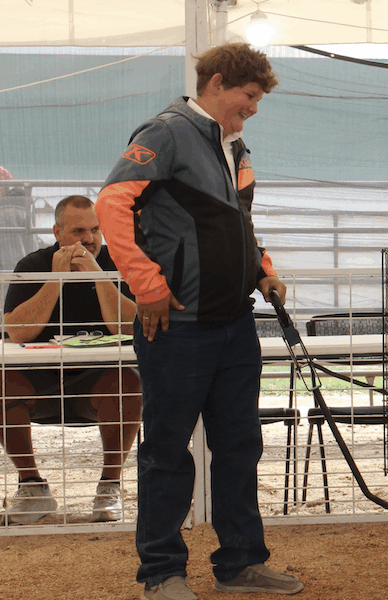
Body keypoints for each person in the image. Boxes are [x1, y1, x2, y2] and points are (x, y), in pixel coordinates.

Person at [95, 43, 301, 600]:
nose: (253, 107)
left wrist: (263, 271)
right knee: (167, 452)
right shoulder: (166, 132)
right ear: (216, 83)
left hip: (235, 325)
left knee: (240, 447)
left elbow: (238, 222)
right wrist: (147, 285)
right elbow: (111, 204)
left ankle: (240, 564)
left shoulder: (234, 146)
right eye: (249, 96)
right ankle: (162, 573)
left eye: (258, 99)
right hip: (178, 329)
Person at [1, 195, 141, 524]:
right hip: (40, 380)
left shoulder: (119, 262)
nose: (89, 239)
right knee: (2, 384)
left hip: (99, 381)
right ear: (57, 232)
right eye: (78, 231)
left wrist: (97, 275)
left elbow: (131, 326)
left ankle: (110, 486)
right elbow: (17, 332)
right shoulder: (32, 265)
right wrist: (56, 279)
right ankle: (32, 486)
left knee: (129, 382)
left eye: (95, 230)